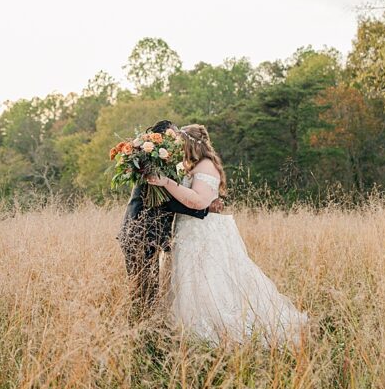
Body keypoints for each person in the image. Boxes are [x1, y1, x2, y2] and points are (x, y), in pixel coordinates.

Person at [145, 124, 309, 346]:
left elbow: (199, 201)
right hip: (189, 231)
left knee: (207, 280)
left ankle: (213, 333)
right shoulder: (195, 165)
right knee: (191, 282)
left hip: (201, 233)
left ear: (192, 144)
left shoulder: (205, 166)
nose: (179, 148)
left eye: (182, 143)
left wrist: (167, 183)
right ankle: (188, 333)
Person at [118, 119, 212, 319]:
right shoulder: (151, 167)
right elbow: (169, 201)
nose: (177, 137)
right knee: (142, 289)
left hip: (148, 234)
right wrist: (202, 209)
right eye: (173, 133)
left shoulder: (163, 166)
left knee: (148, 288)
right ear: (160, 138)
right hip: (139, 232)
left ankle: (144, 327)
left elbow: (167, 198)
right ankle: (140, 330)